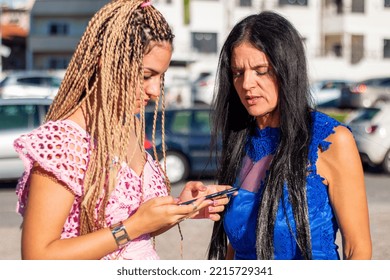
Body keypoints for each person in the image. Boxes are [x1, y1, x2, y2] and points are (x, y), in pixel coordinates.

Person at [14, 0, 230, 260]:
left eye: (161, 77)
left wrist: (181, 208)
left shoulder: (131, 126)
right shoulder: (64, 143)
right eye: (145, 75)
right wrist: (135, 225)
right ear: (107, 63)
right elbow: (37, 258)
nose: (154, 90)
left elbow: (136, 234)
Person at [207, 11, 372, 260]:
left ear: (287, 69)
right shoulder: (241, 141)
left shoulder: (331, 140)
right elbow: (240, 245)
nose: (247, 84)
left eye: (261, 70)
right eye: (237, 72)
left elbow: (357, 249)